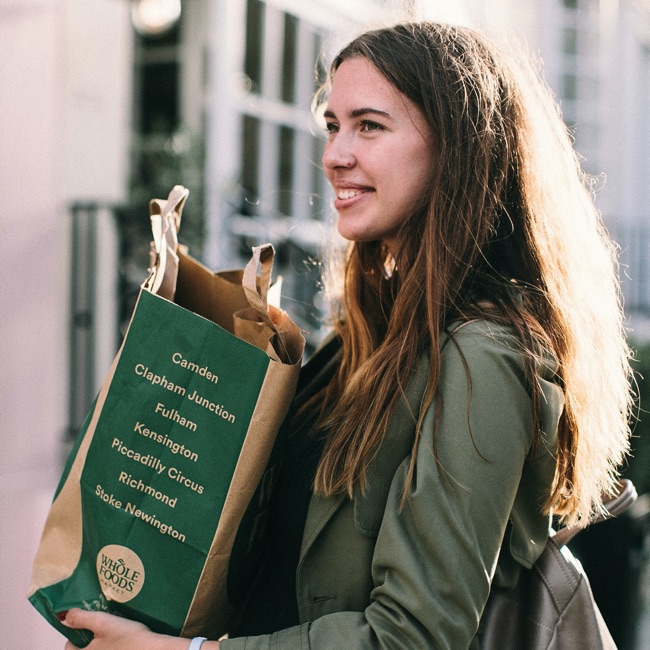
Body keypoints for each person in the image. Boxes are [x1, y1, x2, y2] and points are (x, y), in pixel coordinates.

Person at [62, 20, 633, 650]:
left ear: (459, 148)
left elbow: (412, 635)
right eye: (333, 125)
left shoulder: (483, 355)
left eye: (370, 125)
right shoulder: (366, 338)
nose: (335, 154)